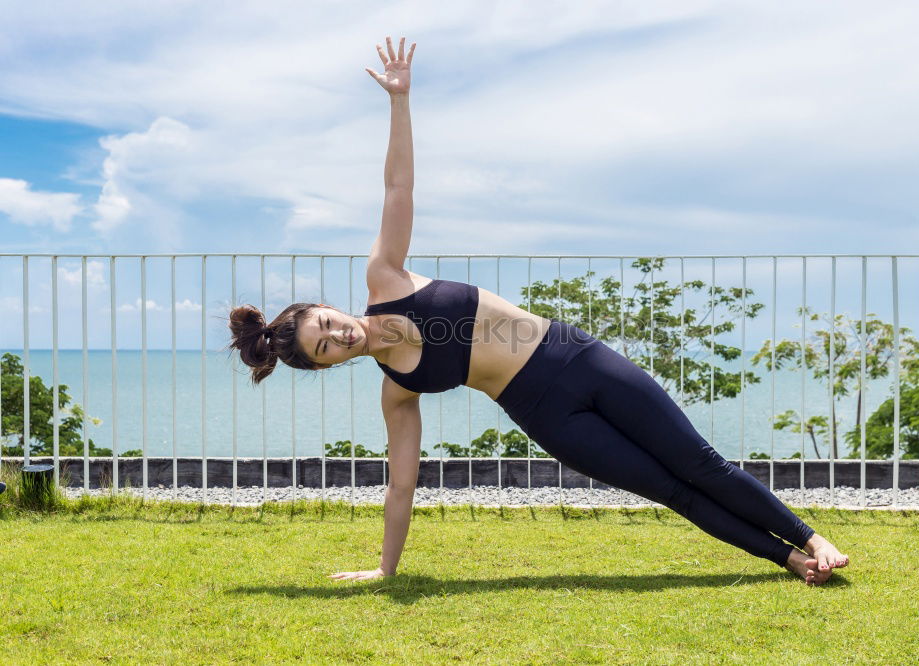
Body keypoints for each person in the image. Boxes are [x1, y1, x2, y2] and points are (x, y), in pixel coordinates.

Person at [229, 36, 850, 586]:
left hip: (577, 360)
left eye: (328, 323)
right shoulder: (398, 390)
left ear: (330, 308)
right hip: (544, 413)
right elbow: (401, 485)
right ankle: (792, 562)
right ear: (331, 363)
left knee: (696, 463)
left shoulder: (386, 277)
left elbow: (397, 186)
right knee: (669, 491)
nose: (340, 335)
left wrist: (399, 99)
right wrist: (385, 568)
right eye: (328, 347)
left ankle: (813, 538)